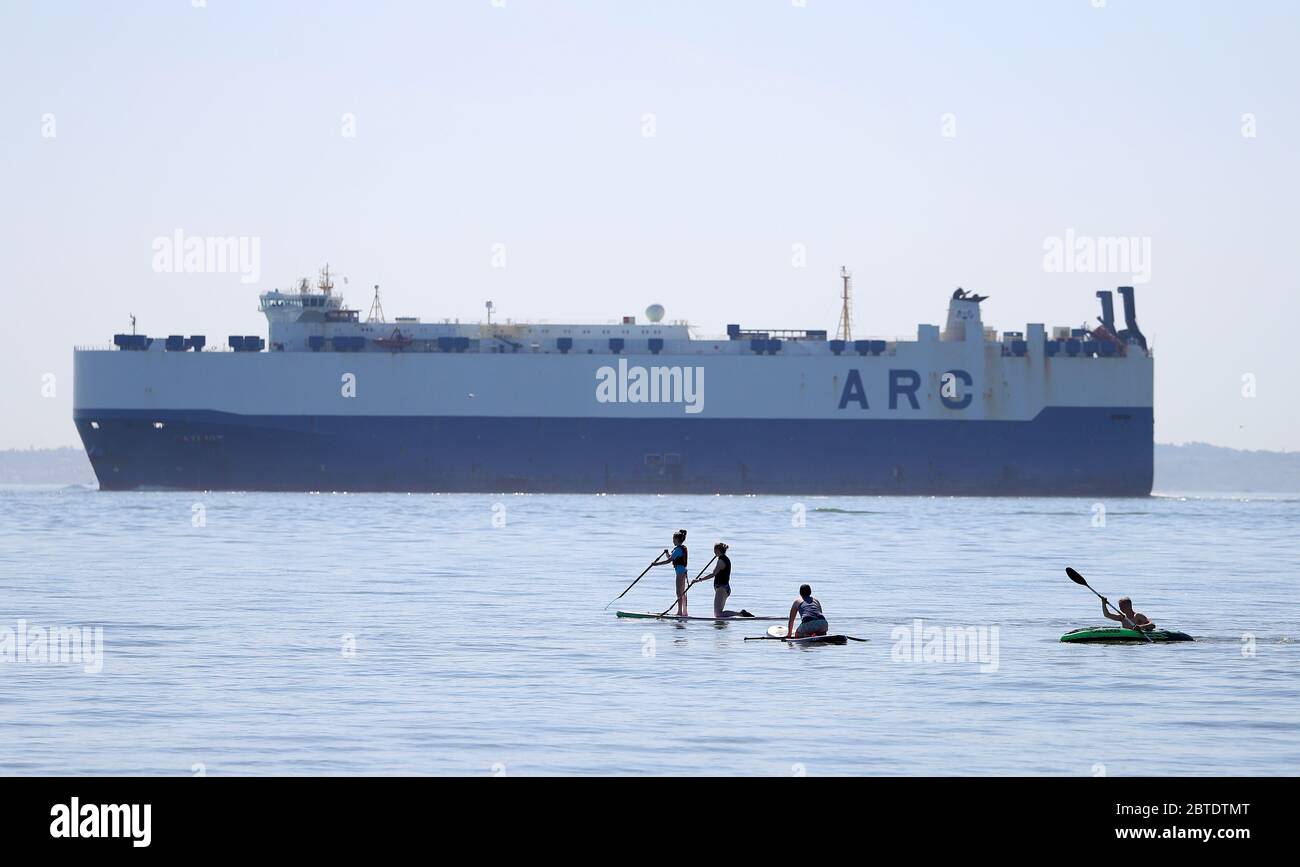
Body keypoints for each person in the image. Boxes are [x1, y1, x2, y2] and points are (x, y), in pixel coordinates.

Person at [655, 530, 689, 617]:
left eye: (673, 539)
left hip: (680, 573)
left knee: (679, 592)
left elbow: (668, 561)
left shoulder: (678, 550)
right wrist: (667, 553)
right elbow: (671, 558)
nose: (673, 541)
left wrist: (656, 564)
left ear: (677, 540)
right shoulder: (679, 549)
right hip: (682, 572)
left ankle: (680, 612)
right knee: (682, 592)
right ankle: (684, 612)